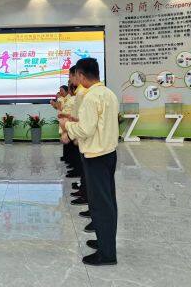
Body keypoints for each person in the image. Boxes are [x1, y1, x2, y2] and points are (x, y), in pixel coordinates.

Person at [60, 58, 119, 266]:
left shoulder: (91, 97)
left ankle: (107, 253)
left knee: (100, 204)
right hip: (108, 153)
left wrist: (67, 126)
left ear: (81, 75)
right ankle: (105, 242)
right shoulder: (108, 93)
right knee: (107, 201)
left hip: (96, 155)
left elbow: (85, 129)